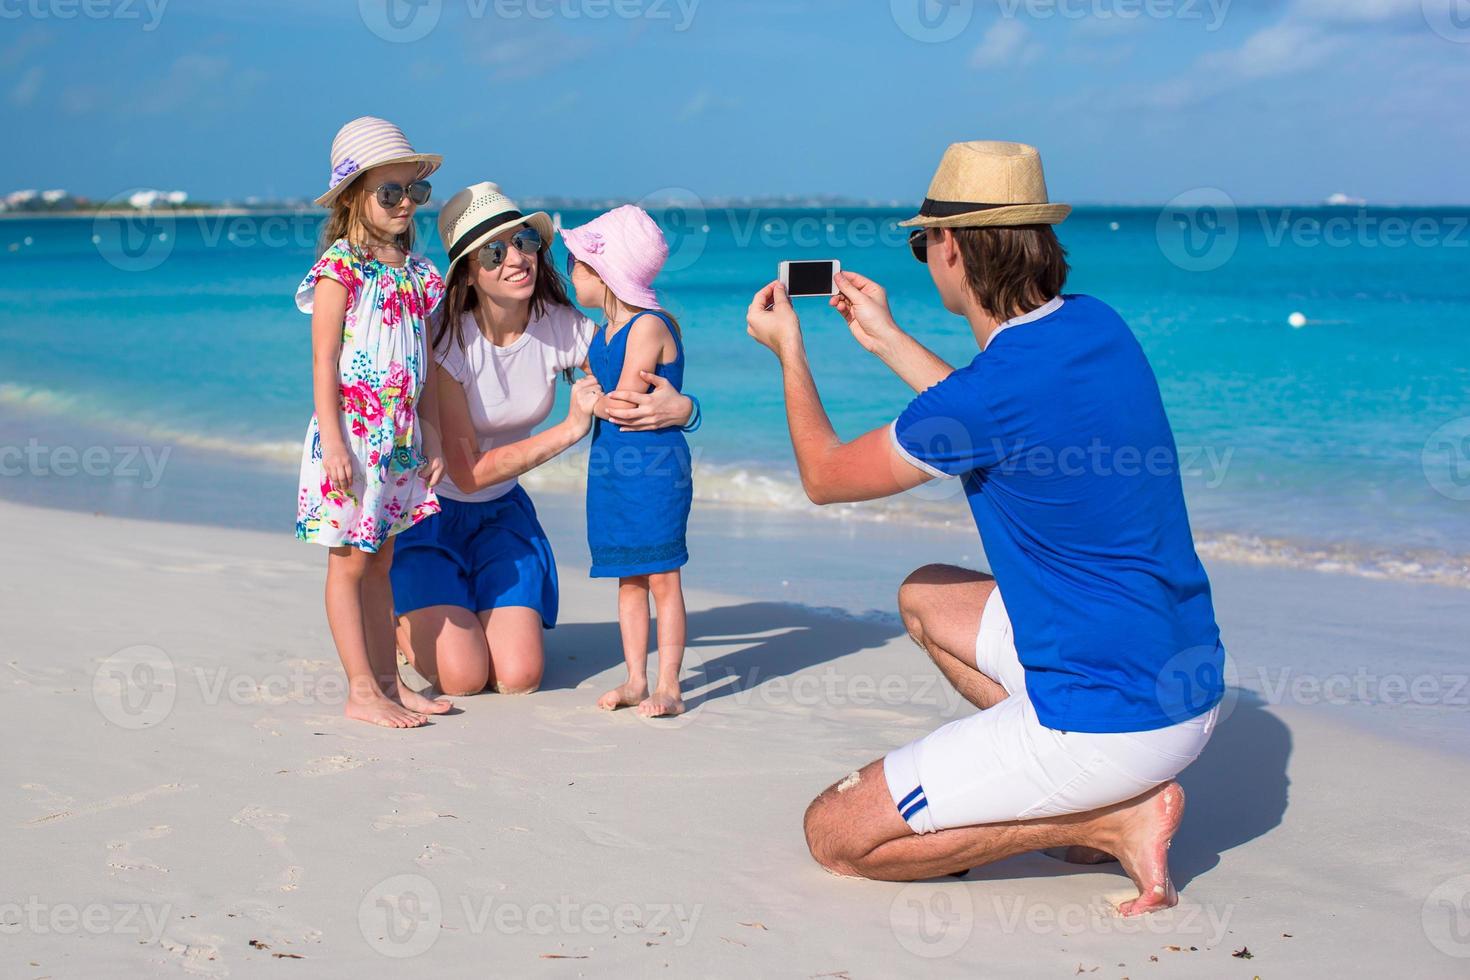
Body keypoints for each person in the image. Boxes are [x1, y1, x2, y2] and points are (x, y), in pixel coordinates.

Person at [744, 141, 1225, 915]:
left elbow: (825, 477)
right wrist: (885, 337)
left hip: (1111, 721)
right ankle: (1065, 782)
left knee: (835, 835)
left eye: (921, 240)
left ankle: (1109, 815)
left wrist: (789, 351)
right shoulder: (1096, 326)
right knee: (925, 596)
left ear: (953, 250)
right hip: (1185, 684)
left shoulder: (985, 400)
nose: (922, 255)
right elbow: (994, 412)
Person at [391, 186, 699, 700]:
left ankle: (469, 609)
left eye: (525, 241)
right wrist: (570, 429)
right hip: (433, 518)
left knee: (519, 677)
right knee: (464, 679)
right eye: (495, 250)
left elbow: (625, 374)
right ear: (468, 270)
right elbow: (465, 473)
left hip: (502, 519)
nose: (517, 258)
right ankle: (396, 611)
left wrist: (686, 409)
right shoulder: (444, 336)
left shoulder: (557, 325)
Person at [294, 116, 452, 729]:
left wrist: (432, 431)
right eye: (391, 193)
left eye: (415, 192)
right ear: (355, 197)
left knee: (383, 559)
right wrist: (333, 440)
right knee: (350, 560)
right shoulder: (342, 267)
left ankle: (389, 681)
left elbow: (429, 366)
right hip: (353, 437)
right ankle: (361, 690)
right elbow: (324, 359)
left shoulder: (417, 274)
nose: (406, 203)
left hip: (401, 439)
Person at [564, 206, 695, 718]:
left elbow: (620, 401)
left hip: (654, 472)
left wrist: (586, 398)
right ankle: (636, 679)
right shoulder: (604, 331)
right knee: (628, 579)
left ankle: (670, 685)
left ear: (604, 272)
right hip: (613, 471)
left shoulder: (647, 326)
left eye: (576, 264)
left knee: (664, 578)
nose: (571, 273)